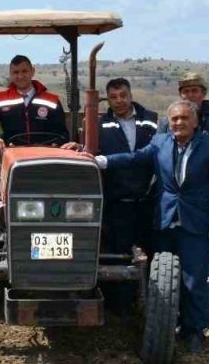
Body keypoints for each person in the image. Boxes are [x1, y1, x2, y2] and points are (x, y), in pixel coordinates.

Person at [93, 101, 209, 353]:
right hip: (165, 221)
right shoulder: (160, 142)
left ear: (195, 121)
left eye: (184, 118)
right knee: (163, 276)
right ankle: (168, 324)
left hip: (196, 222)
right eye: (174, 119)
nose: (179, 123)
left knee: (194, 280)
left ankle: (194, 331)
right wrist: (101, 161)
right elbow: (134, 158)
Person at [65, 78, 158, 315]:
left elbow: (151, 155)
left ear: (130, 95)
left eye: (123, 95)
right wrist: (79, 148)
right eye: (114, 97)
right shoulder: (99, 125)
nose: (119, 101)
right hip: (117, 201)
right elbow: (91, 153)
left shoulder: (151, 120)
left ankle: (153, 303)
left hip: (147, 199)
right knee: (119, 253)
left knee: (151, 252)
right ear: (107, 99)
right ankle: (121, 307)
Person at [0, 54, 70, 151]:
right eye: (16, 72)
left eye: (24, 71)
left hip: (45, 154)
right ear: (10, 74)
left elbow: (62, 133)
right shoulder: (0, 99)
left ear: (32, 71)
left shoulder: (52, 100)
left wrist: (60, 144)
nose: (20, 76)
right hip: (12, 152)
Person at [175, 72, 209, 138]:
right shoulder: (169, 122)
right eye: (186, 91)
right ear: (180, 95)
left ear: (204, 93)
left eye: (194, 91)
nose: (190, 95)